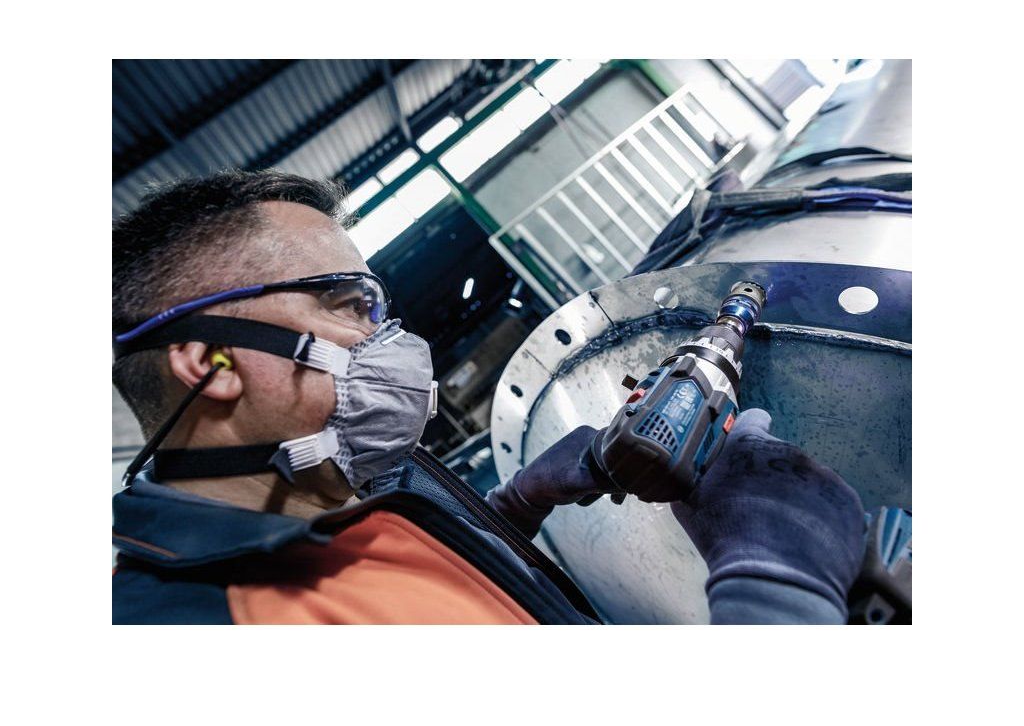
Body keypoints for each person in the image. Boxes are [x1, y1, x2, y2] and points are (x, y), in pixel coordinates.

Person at [112, 169, 866, 625]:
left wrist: (513, 510)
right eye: (347, 305)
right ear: (209, 364)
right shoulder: (197, 625)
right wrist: (778, 585)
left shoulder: (335, 509)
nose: (389, 340)